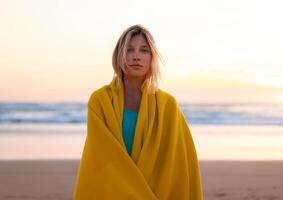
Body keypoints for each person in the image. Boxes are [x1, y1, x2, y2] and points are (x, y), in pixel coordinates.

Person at [73, 24, 203, 199]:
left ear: (152, 58)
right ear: (119, 56)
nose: (136, 57)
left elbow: (176, 163)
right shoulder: (100, 101)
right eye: (129, 50)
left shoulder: (167, 105)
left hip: (156, 193)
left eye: (144, 50)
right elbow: (103, 158)